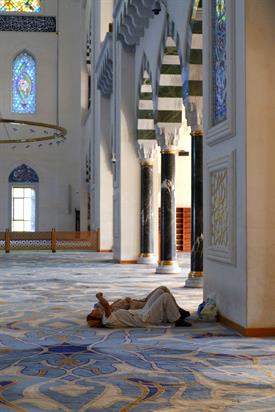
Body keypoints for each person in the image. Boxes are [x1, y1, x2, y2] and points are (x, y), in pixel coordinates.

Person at [87, 286, 191, 328]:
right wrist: (98, 296)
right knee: (165, 296)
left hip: (143, 312)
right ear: (96, 318)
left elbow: (103, 306)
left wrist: (99, 301)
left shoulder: (106, 315)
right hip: (147, 318)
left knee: (161, 290)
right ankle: (177, 320)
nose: (93, 310)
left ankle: (178, 311)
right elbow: (105, 304)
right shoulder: (106, 320)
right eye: (92, 313)